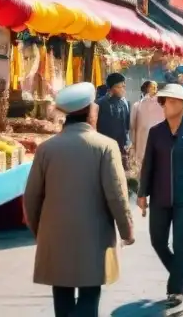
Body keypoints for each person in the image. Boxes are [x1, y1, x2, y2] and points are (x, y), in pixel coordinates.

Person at [23, 82, 133, 317]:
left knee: (61, 294)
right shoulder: (105, 146)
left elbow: (31, 197)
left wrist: (40, 231)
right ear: (90, 111)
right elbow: (116, 195)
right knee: (89, 295)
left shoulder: (46, 149)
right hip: (93, 236)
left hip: (55, 235)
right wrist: (127, 230)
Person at [137, 83, 183, 308]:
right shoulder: (156, 132)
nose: (165, 106)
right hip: (159, 195)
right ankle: (179, 273)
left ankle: (176, 289)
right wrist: (142, 194)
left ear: (182, 105)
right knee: (157, 240)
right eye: (165, 102)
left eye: (170, 102)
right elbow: (147, 165)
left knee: (181, 244)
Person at [95, 73, 131, 170]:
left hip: (120, 148)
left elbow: (126, 126)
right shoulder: (99, 104)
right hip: (104, 150)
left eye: (124, 86)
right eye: (121, 86)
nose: (124, 89)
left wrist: (126, 145)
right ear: (113, 87)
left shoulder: (124, 104)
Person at [130, 80, 164, 176]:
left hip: (158, 140)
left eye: (156, 87)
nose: (155, 89)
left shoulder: (162, 104)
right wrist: (133, 144)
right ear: (146, 89)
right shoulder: (137, 105)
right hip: (142, 140)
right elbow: (132, 127)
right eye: (152, 87)